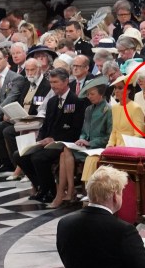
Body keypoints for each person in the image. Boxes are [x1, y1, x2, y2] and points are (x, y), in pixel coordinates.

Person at [13, 68, 88, 203]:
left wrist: (54, 139)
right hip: (47, 141)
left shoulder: (76, 101)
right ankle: (41, 186)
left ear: (66, 82)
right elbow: (46, 125)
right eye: (51, 82)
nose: (52, 85)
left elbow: (75, 129)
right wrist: (39, 140)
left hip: (63, 143)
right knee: (19, 155)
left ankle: (51, 191)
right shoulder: (52, 101)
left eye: (55, 82)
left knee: (38, 158)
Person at [50, 77, 112, 208]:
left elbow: (109, 136)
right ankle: (67, 190)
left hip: (98, 147)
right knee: (64, 151)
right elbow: (84, 130)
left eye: (92, 94)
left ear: (101, 94)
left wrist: (90, 143)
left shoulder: (108, 110)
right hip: (86, 146)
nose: (89, 97)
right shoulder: (89, 109)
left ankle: (67, 192)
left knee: (64, 153)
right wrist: (81, 139)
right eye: (88, 94)